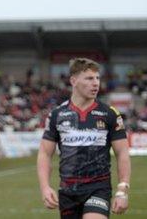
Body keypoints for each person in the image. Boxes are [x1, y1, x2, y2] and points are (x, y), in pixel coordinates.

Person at [37, 58, 131, 219]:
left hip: (98, 187)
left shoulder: (110, 114)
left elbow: (122, 153)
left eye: (97, 78)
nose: (96, 83)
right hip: (68, 191)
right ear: (73, 81)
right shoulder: (57, 115)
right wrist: (45, 187)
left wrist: (122, 190)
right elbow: (45, 153)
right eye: (89, 78)